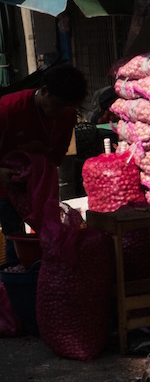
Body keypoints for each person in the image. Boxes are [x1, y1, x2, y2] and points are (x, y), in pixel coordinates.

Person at [0, 64, 88, 260]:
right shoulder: (8, 108)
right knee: (13, 237)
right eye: (57, 105)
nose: (60, 111)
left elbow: (56, 157)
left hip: (40, 188)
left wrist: (42, 151)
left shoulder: (67, 115)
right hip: (6, 185)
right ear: (45, 91)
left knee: (49, 235)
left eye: (66, 107)